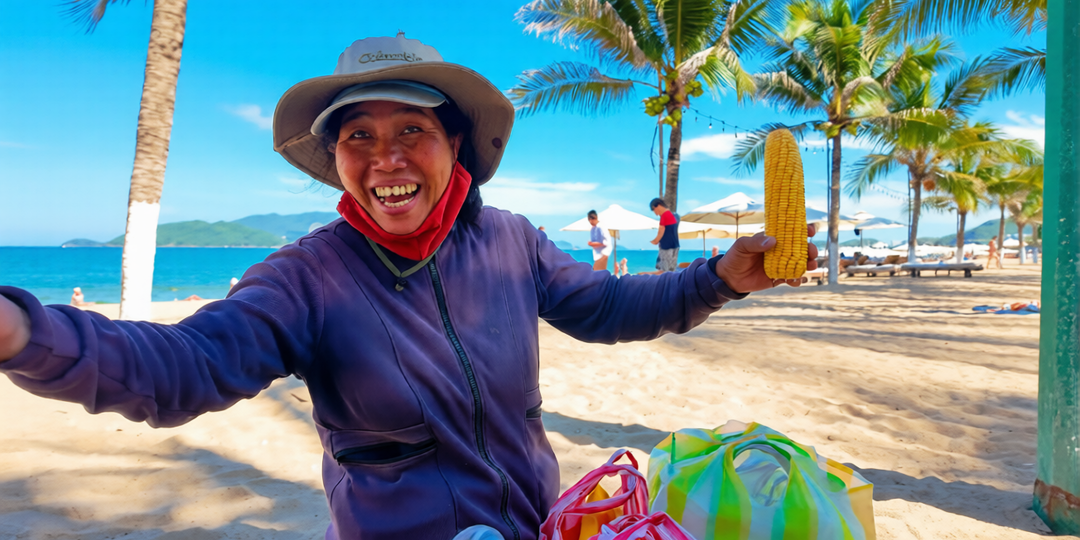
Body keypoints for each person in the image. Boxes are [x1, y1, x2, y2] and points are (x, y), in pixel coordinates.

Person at [0, 33, 817, 540]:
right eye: (359, 136)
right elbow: (184, 364)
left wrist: (717, 278)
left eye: (411, 132)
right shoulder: (305, 277)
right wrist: (23, 333)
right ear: (337, 161)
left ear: (454, 145)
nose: (385, 157)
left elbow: (608, 307)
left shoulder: (510, 241)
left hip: (538, 526)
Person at [649, 198, 680, 272]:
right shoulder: (676, 216)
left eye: (654, 210)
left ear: (658, 205)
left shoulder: (664, 216)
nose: (656, 213)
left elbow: (661, 230)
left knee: (664, 271)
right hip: (675, 247)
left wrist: (655, 241)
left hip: (666, 248)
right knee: (672, 270)